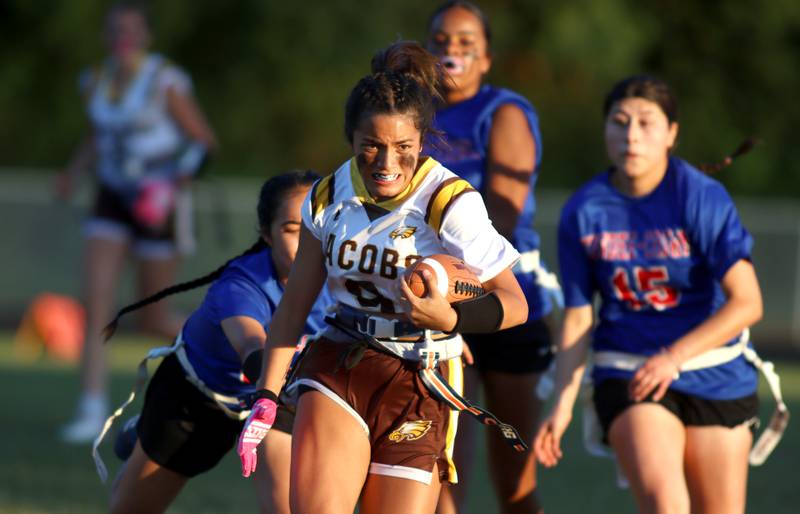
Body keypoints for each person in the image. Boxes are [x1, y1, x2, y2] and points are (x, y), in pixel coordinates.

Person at [236, 41, 529, 514]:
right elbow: (292, 309)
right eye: (371, 146)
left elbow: (515, 305)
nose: (387, 163)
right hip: (342, 357)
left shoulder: (449, 201)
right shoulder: (327, 194)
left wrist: (449, 317)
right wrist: (267, 398)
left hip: (421, 373)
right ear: (350, 138)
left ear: (421, 140)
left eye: (403, 148)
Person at [534, 75, 764, 514]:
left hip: (713, 368)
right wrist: (562, 404)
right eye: (620, 122)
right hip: (630, 369)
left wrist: (674, 357)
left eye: (646, 122)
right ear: (605, 131)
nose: (631, 135)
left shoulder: (700, 197)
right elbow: (580, 317)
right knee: (666, 505)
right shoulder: (585, 209)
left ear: (672, 133)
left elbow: (748, 301)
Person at [102, 171, 331, 514]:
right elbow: (253, 350)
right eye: (292, 229)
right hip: (202, 399)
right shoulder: (241, 285)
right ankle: (146, 433)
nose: (308, 241)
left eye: (317, 227)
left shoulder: (343, 281)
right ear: (267, 235)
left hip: (278, 400)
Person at [55, 1, 218, 443]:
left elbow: (203, 141)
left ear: (146, 35)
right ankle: (90, 409)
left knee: (152, 316)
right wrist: (73, 172)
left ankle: (229, 345)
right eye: (114, 29)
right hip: (112, 197)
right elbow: (96, 136)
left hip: (159, 203)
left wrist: (173, 182)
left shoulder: (164, 79)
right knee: (97, 302)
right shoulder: (94, 80)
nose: (122, 36)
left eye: (131, 28)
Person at [424, 2, 559, 512]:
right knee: (439, 464)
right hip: (434, 297)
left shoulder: (501, 111)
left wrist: (432, 253)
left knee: (515, 484)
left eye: (464, 43)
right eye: (440, 41)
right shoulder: (412, 113)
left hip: (502, 297)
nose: (450, 51)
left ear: (486, 59)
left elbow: (502, 212)